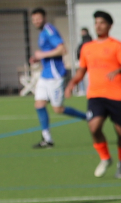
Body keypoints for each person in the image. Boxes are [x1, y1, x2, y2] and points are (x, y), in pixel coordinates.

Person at [66, 12, 121, 178]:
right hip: (96, 95)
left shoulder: (117, 45)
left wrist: (118, 70)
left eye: (102, 23)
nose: (98, 26)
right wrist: (72, 83)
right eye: (96, 22)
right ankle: (105, 158)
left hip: (117, 95)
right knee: (94, 128)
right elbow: (82, 70)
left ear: (109, 26)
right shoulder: (87, 47)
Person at [28, 9, 88, 147]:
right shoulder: (42, 33)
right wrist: (38, 58)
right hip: (45, 75)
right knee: (39, 104)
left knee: (58, 109)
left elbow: (62, 49)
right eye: (34, 19)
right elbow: (49, 53)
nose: (36, 21)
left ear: (44, 18)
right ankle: (47, 139)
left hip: (55, 76)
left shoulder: (49, 30)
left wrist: (42, 55)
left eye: (38, 18)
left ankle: (87, 117)